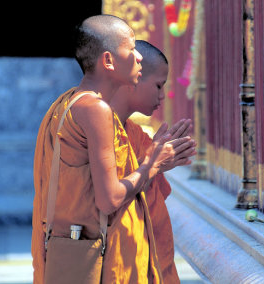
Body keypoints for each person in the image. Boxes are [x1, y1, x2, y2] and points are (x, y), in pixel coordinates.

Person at [31, 15, 196, 283]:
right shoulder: (96, 109)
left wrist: (152, 159)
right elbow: (109, 200)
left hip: (73, 251)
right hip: (100, 263)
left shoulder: (64, 104)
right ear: (108, 61)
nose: (138, 57)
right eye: (131, 49)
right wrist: (152, 164)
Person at [111, 40, 194, 284]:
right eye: (158, 85)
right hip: (120, 264)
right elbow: (109, 201)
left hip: (148, 261)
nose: (162, 96)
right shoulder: (99, 130)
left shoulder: (135, 134)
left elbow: (142, 196)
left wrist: (156, 163)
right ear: (133, 78)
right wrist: (152, 165)